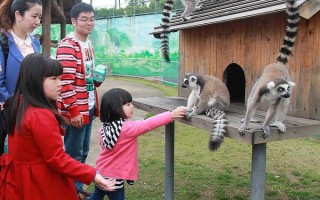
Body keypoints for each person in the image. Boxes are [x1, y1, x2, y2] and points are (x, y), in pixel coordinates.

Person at [0, 53, 116, 200]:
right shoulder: (40, 115)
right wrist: (93, 174)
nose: (60, 83)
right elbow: (57, 158)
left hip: (18, 180)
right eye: (54, 78)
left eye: (60, 78)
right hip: (39, 183)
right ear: (34, 80)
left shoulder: (17, 104)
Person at [89, 88, 188, 200]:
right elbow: (148, 124)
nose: (132, 106)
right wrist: (171, 115)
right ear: (115, 108)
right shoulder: (127, 129)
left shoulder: (104, 127)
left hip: (101, 172)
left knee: (96, 196)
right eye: (127, 104)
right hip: (114, 178)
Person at [56, 2, 101, 198]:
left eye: (92, 19)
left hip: (88, 105)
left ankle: (77, 187)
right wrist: (73, 111)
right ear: (73, 21)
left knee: (82, 151)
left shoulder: (88, 44)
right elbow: (64, 83)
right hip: (76, 109)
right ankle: (69, 190)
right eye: (84, 19)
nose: (89, 23)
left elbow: (84, 76)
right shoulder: (68, 45)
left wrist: (95, 82)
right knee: (73, 153)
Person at [0, 0, 42, 159]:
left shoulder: (34, 43)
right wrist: (15, 106)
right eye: (34, 16)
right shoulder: (3, 42)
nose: (38, 22)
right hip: (10, 116)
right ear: (18, 15)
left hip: (32, 115)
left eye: (40, 17)